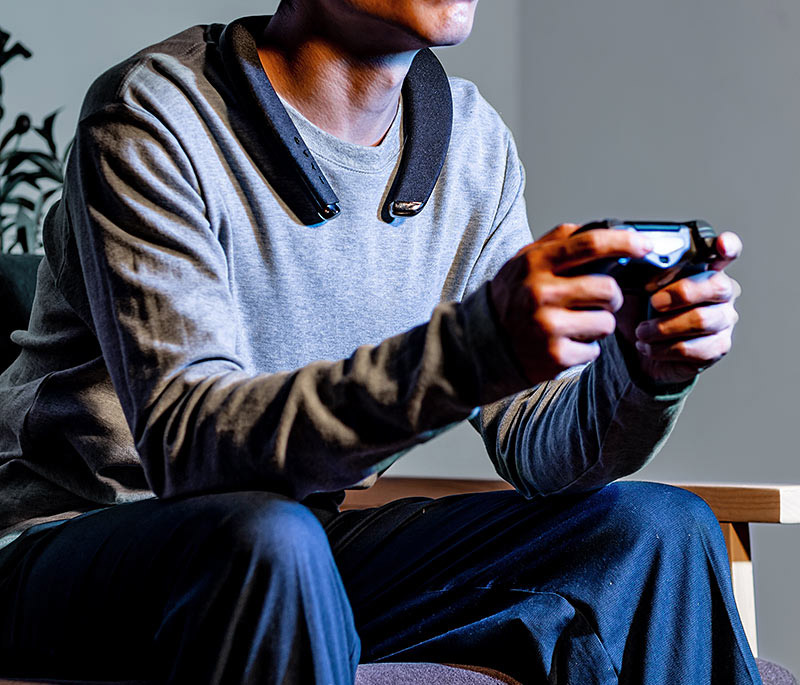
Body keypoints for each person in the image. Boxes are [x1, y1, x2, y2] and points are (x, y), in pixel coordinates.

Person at [0, 1, 757, 683]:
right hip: (73, 550)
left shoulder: (472, 144)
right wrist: (474, 350)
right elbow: (192, 448)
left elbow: (539, 445)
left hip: (300, 546)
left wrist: (641, 372)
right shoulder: (154, 115)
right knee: (269, 541)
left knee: (660, 529)